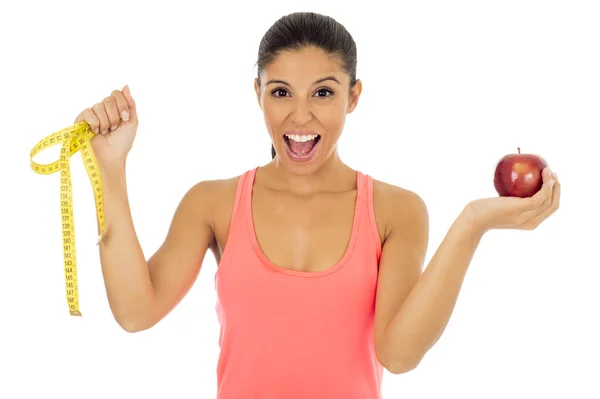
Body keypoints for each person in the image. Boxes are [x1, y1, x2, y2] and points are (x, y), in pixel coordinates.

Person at [73, 11, 560, 399]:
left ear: (353, 97)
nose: (300, 115)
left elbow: (399, 354)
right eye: (280, 92)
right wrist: (110, 169)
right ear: (257, 94)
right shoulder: (214, 202)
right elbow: (136, 311)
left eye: (323, 93)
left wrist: (472, 224)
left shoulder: (396, 210)